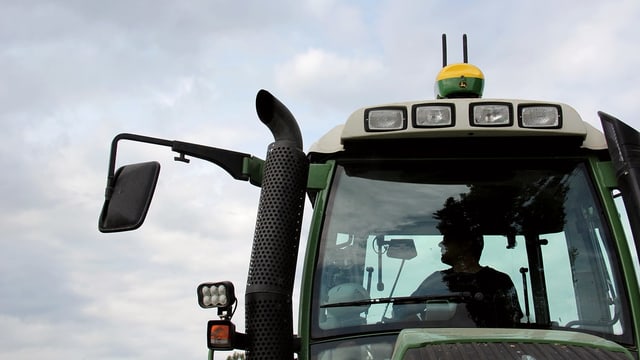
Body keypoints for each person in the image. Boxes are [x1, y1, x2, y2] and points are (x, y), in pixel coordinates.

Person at [406, 227, 524, 327]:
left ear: (466, 244)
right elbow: (402, 311)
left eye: (447, 239)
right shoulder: (436, 280)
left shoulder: (499, 282)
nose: (440, 244)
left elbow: (512, 324)